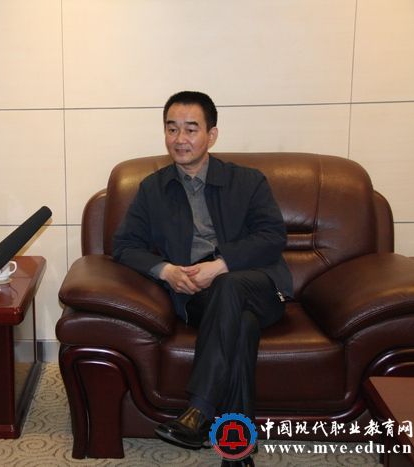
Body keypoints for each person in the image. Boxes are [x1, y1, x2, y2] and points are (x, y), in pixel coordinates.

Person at [113, 91, 293, 466]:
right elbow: (125, 246)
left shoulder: (247, 181)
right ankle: (237, 450)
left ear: (211, 135)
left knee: (230, 287)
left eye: (191, 129)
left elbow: (273, 236)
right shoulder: (153, 189)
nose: (180, 139)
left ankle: (199, 409)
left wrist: (221, 265)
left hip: (258, 287)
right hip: (198, 298)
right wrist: (166, 271)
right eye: (172, 129)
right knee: (241, 326)